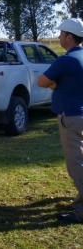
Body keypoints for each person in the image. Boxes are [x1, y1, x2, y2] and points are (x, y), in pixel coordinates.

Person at [37, 18, 83, 224]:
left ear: (69, 36)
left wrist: (55, 85)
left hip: (72, 118)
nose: (58, 37)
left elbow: (41, 81)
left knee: (77, 164)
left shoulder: (66, 60)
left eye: (61, 33)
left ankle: (81, 211)